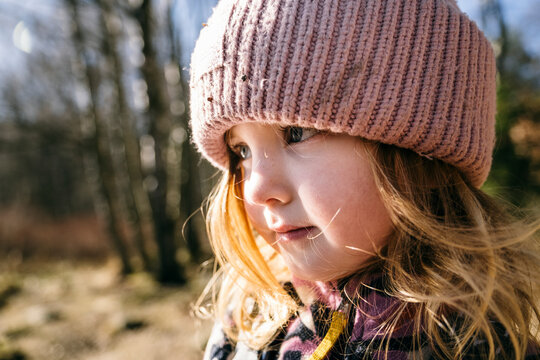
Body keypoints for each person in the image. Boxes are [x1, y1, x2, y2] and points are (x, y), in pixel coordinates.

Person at [189, 0, 540, 358]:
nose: (259, 189)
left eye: (297, 132)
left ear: (421, 159)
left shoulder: (471, 345)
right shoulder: (251, 326)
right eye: (242, 152)